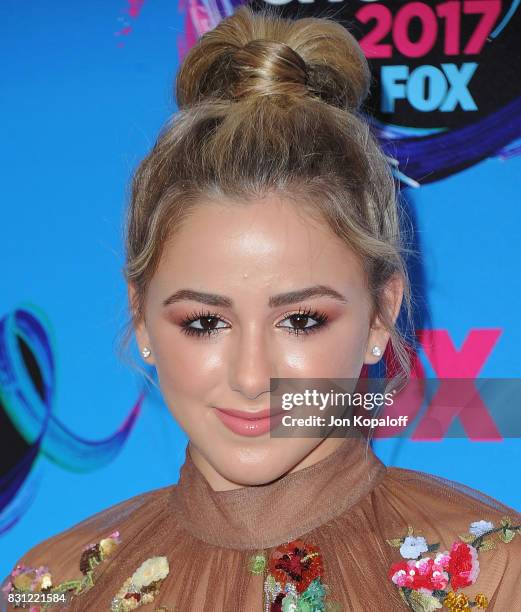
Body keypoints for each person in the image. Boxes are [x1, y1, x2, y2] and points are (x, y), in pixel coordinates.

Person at [2, 6, 520, 611]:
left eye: (301, 320)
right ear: (140, 316)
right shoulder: (52, 589)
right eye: (204, 322)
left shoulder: (492, 578)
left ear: (381, 314)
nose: (251, 378)